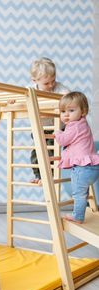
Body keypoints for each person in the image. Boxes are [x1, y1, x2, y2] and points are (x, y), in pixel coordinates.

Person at [54, 91, 99, 224]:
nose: (66, 114)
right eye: (62, 111)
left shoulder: (73, 126)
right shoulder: (84, 124)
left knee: (78, 194)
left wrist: (57, 133)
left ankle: (78, 216)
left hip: (82, 169)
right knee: (83, 193)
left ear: (83, 111)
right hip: (93, 167)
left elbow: (64, 140)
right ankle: (82, 211)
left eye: (71, 110)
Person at [29, 57, 70, 184]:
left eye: (53, 80)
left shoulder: (59, 88)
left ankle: (49, 175)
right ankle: (39, 176)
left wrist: (64, 99)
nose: (51, 85)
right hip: (41, 128)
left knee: (51, 150)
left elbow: (68, 96)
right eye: (46, 83)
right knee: (36, 152)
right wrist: (14, 101)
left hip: (58, 128)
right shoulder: (31, 90)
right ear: (35, 80)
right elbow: (21, 97)